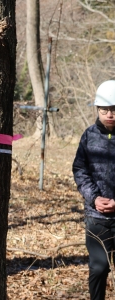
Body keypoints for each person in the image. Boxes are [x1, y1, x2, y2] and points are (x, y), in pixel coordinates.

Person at [73, 80, 115, 300]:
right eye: (104, 109)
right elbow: (80, 169)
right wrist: (94, 198)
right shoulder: (89, 136)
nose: (109, 114)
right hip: (96, 216)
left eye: (114, 109)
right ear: (98, 109)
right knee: (99, 268)